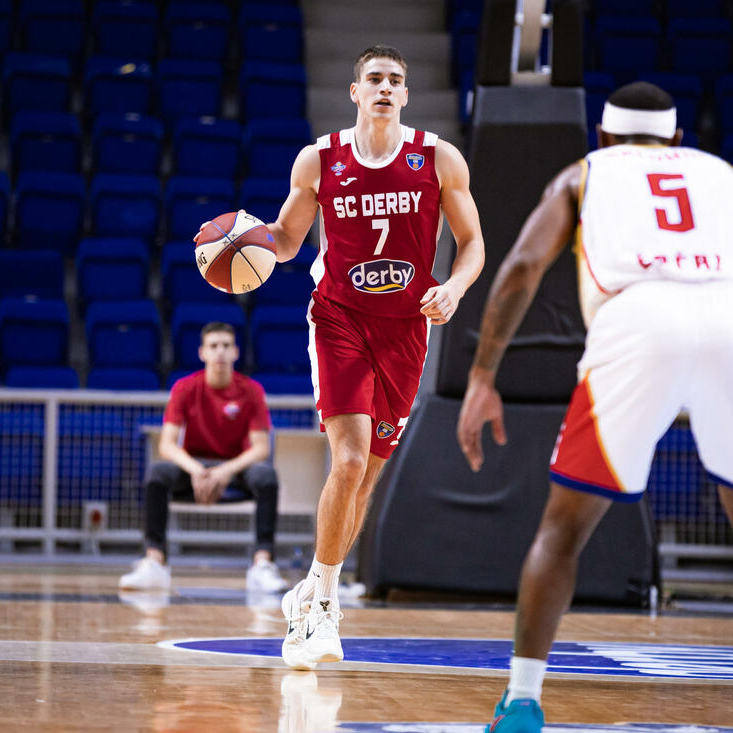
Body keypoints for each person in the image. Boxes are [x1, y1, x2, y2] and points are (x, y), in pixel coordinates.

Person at [457, 82, 733, 733]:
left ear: (602, 137)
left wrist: (483, 374)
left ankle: (521, 702)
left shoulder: (583, 174)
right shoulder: (726, 176)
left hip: (638, 318)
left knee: (562, 530)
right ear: (677, 139)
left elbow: (520, 268)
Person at [196, 44, 486, 669]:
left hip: (406, 329)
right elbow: (286, 239)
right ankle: (323, 609)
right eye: (374, 79)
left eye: (395, 80)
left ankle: (313, 585)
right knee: (348, 461)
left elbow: (472, 242)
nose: (385, 88)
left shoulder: (438, 157)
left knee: (366, 478)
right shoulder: (320, 159)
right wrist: (238, 242)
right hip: (339, 318)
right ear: (355, 91)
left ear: (405, 94)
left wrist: (456, 287)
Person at [119, 322, 286, 594]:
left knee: (267, 476)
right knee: (157, 475)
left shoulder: (251, 390)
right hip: (195, 466)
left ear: (236, 352)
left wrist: (225, 471)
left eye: (226, 345)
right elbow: (167, 445)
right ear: (202, 352)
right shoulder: (185, 388)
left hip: (235, 469)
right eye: (213, 346)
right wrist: (197, 470)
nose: (220, 351)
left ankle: (262, 564)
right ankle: (154, 562)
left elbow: (260, 449)